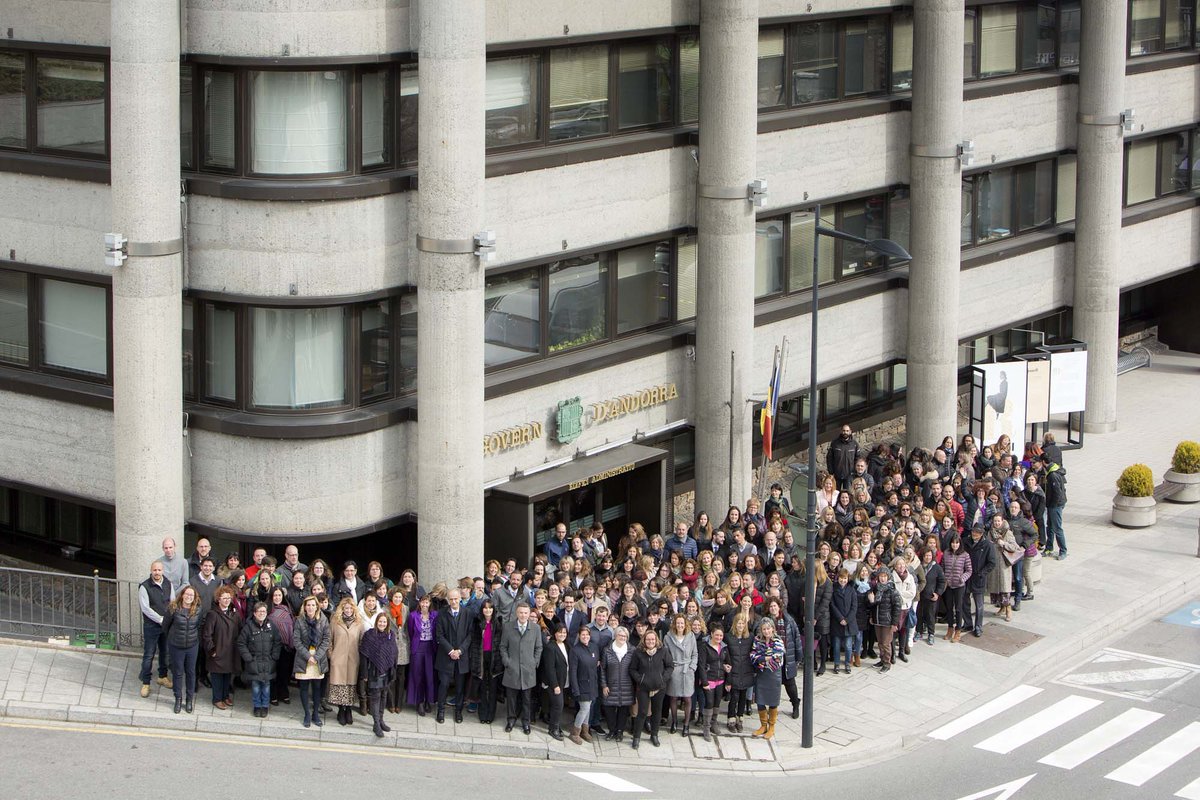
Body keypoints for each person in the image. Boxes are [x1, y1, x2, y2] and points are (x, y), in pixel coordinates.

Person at [500, 602, 543, 735]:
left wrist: (534, 662)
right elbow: (503, 647)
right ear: (516, 613)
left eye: (526, 613)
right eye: (521, 613)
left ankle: (526, 722)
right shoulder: (508, 627)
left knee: (526, 699)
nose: (523, 615)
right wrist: (507, 662)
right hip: (512, 669)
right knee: (511, 698)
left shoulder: (535, 628)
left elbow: (539, 647)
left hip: (528, 670)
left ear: (529, 614)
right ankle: (511, 720)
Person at [434, 588, 473, 724]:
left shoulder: (468, 613)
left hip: (462, 657)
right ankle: (441, 711)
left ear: (460, 599)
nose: (454, 601)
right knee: (443, 685)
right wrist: (451, 651)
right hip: (445, 656)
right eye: (451, 599)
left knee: (460, 687)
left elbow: (470, 635)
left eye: (456, 599)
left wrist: (460, 651)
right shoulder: (442, 613)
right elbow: (439, 635)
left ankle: (458, 712)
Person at [161, 583, 202, 714]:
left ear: (195, 597)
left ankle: (189, 700)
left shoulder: (198, 609)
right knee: (178, 673)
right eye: (187, 594)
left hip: (192, 645)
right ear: (182, 595)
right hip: (176, 645)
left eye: (192, 595)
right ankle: (178, 699)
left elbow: (199, 625)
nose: (189, 597)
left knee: (191, 673)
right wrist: (173, 638)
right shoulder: (173, 608)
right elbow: (165, 626)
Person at [629, 628, 673, 749]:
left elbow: (670, 666)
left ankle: (654, 735)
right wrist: (641, 680)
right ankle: (636, 737)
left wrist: (663, 679)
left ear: (656, 640)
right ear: (644, 640)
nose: (650, 641)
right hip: (643, 687)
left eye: (653, 639)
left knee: (657, 712)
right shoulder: (638, 652)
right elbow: (632, 669)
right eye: (648, 639)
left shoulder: (663, 651)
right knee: (642, 712)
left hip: (659, 687)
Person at [237, 601, 282, 718]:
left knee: (266, 686)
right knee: (256, 687)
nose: (262, 613)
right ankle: (257, 706)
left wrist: (274, 657)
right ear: (255, 613)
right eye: (259, 611)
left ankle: (265, 706)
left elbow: (278, 642)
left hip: (268, 663)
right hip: (254, 663)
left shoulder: (271, 626)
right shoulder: (248, 626)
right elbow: (241, 643)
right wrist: (248, 658)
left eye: (264, 611)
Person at [293, 595, 331, 727]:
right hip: (304, 658)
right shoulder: (299, 621)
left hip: (318, 658)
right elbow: (296, 641)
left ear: (317, 606)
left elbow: (326, 640)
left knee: (317, 687)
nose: (310, 607)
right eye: (308, 605)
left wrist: (316, 656)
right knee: (304, 687)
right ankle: (307, 715)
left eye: (313, 605)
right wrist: (308, 656)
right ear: (304, 607)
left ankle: (315, 714)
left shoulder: (323, 620)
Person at [137, 560, 173, 698]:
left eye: (159, 570)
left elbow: (172, 601)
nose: (157, 572)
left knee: (165, 652)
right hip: (151, 626)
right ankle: (146, 683)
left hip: (165, 625)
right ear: (151, 571)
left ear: (163, 571)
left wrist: (169, 619)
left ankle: (162, 676)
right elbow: (145, 608)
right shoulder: (144, 586)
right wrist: (160, 619)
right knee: (149, 654)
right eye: (154, 570)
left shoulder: (168, 584)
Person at [202, 584, 241, 709]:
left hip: (230, 651)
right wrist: (212, 650)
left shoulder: (234, 614)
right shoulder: (213, 614)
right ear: (218, 599)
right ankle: (217, 698)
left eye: (229, 598)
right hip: (218, 651)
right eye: (224, 598)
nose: (226, 601)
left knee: (227, 675)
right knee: (217, 676)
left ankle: (225, 696)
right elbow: (207, 635)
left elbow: (240, 630)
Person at [360, 612, 398, 737]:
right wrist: (364, 674)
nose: (382, 624)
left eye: (384, 622)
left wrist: (393, 669)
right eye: (380, 621)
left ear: (387, 624)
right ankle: (376, 724)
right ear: (376, 622)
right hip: (374, 672)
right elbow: (364, 656)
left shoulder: (390, 635)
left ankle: (381, 720)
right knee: (375, 697)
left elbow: (394, 653)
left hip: (387, 672)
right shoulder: (369, 635)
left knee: (384, 696)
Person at [328, 597, 363, 725]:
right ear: (341, 609)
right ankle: (341, 710)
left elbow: (361, 642)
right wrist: (331, 655)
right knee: (339, 686)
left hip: (353, 659)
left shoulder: (359, 623)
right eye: (345, 608)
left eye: (350, 608)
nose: (348, 610)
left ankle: (348, 710)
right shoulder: (335, 621)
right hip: (338, 659)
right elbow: (329, 640)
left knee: (350, 686)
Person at [470, 598, 504, 724]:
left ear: (493, 609)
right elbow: (474, 642)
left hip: (494, 657)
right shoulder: (477, 621)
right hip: (481, 657)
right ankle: (483, 714)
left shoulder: (499, 622)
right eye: (485, 608)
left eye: (490, 608)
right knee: (483, 687)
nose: (488, 610)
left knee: (493, 688)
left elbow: (501, 643)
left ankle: (491, 714)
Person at [750, 618, 785, 739]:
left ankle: (772, 727)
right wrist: (765, 658)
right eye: (764, 629)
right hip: (761, 674)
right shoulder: (757, 640)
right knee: (760, 700)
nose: (766, 631)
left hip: (774, 674)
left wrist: (762, 658)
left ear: (773, 629)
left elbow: (777, 656)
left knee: (773, 701)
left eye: (768, 628)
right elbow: (753, 656)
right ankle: (763, 725)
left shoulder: (778, 641)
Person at [663, 613, 697, 736]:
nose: (680, 625)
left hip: (687, 670)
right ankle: (674, 722)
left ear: (685, 624)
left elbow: (695, 654)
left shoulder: (691, 636)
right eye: (678, 623)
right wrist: (670, 669)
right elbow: (666, 655)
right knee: (673, 697)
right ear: (674, 624)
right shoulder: (668, 638)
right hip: (675, 669)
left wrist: (692, 667)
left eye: (682, 623)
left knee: (687, 698)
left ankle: (686, 724)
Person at [599, 625, 635, 742]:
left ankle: (620, 731)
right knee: (609, 709)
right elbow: (602, 669)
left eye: (625, 636)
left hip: (627, 685)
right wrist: (604, 685)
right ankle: (612, 730)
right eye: (620, 635)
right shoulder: (607, 650)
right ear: (615, 636)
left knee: (623, 710)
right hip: (611, 684)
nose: (622, 637)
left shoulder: (632, 650)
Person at [567, 623, 600, 745]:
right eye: (583, 635)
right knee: (584, 708)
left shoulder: (594, 647)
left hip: (592, 684)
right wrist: (575, 689)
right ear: (579, 636)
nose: (585, 637)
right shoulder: (575, 651)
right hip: (581, 685)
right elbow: (573, 671)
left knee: (588, 709)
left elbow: (597, 663)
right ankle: (575, 732)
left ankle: (585, 731)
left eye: (587, 635)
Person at [405, 593, 438, 714]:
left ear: (430, 604)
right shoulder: (413, 616)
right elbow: (410, 631)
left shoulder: (435, 615)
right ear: (419, 603)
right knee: (418, 675)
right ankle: (419, 702)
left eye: (427, 602)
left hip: (430, 647)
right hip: (418, 648)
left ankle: (429, 700)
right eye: (423, 602)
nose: (424, 604)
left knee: (430, 675)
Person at [963, 526, 997, 638]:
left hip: (979, 578)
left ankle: (978, 626)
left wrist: (982, 573)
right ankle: (968, 623)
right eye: (973, 531)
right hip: (967, 576)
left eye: (977, 532)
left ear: (982, 533)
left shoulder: (988, 545)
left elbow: (992, 562)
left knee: (979, 605)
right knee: (965, 602)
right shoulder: (966, 541)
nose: (974, 534)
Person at [866, 568, 902, 672]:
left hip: (887, 621)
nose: (882, 578)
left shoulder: (892, 590)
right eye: (881, 576)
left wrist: (894, 623)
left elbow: (897, 607)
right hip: (877, 620)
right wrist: (872, 616)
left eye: (884, 576)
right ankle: (882, 660)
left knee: (886, 643)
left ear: (888, 577)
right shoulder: (875, 589)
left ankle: (887, 663)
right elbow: (873, 605)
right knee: (880, 643)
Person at [540, 622, 570, 740]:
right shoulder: (550, 647)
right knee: (558, 705)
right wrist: (555, 685)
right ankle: (553, 729)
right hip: (555, 683)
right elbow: (549, 668)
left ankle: (556, 726)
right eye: (560, 632)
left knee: (559, 706)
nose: (562, 635)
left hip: (564, 681)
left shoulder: (566, 645)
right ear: (555, 633)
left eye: (564, 632)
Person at [988, 515, 1020, 622]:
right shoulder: (990, 533)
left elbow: (1014, 547)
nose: (997, 523)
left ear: (1002, 521)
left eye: (998, 521)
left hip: (1004, 564)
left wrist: (1004, 544)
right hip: (994, 564)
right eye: (995, 521)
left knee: (1005, 588)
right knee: (996, 588)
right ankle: (1001, 607)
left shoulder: (1007, 532)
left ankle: (1008, 609)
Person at [725, 613, 754, 732]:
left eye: (743, 623)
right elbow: (726, 656)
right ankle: (731, 718)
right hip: (734, 671)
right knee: (734, 696)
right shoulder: (729, 637)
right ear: (734, 624)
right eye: (738, 623)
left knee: (743, 697)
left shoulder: (750, 637)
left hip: (746, 671)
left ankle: (739, 718)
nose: (740, 625)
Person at [941, 535, 973, 643]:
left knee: (959, 608)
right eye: (953, 543)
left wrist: (962, 578)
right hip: (949, 585)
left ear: (960, 544)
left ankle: (958, 630)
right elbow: (942, 567)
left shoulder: (965, 555)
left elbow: (969, 570)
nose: (955, 545)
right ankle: (950, 628)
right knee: (949, 608)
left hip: (959, 586)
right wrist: (945, 578)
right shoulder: (946, 553)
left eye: (957, 543)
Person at [384, 586, 411, 713]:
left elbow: (407, 628)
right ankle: (391, 703)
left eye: (400, 597)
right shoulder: (385, 609)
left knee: (401, 676)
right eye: (395, 597)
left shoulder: (406, 609)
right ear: (391, 597)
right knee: (391, 676)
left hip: (403, 645)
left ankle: (399, 703)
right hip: (390, 645)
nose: (397, 599)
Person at [829, 568, 858, 675]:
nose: (843, 580)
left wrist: (847, 619)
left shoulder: (851, 590)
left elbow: (854, 607)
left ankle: (847, 663)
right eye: (841, 578)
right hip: (837, 622)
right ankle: (836, 664)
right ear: (838, 578)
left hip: (849, 623)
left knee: (848, 645)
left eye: (845, 578)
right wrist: (840, 618)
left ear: (847, 578)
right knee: (836, 645)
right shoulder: (834, 589)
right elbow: (832, 605)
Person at [915, 548, 945, 646]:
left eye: (929, 555)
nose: (927, 557)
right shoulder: (918, 566)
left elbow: (942, 582)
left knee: (930, 616)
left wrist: (937, 593)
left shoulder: (937, 567)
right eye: (925, 555)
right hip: (919, 595)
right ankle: (918, 632)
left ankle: (931, 634)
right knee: (918, 614)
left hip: (931, 596)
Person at [1042, 453, 1068, 559]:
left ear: (1043, 462)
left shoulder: (1052, 475)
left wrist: (1052, 505)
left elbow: (1057, 493)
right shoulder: (1053, 470)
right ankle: (1049, 548)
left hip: (1055, 505)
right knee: (1050, 527)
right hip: (1054, 504)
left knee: (1057, 528)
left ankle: (1063, 550)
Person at [827, 424, 863, 491]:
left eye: (847, 431)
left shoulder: (854, 444)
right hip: (837, 474)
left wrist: (855, 472)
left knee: (847, 495)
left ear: (850, 431)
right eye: (844, 431)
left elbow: (858, 459)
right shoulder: (835, 443)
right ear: (841, 431)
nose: (845, 432)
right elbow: (829, 458)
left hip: (849, 475)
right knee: (835, 493)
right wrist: (831, 472)